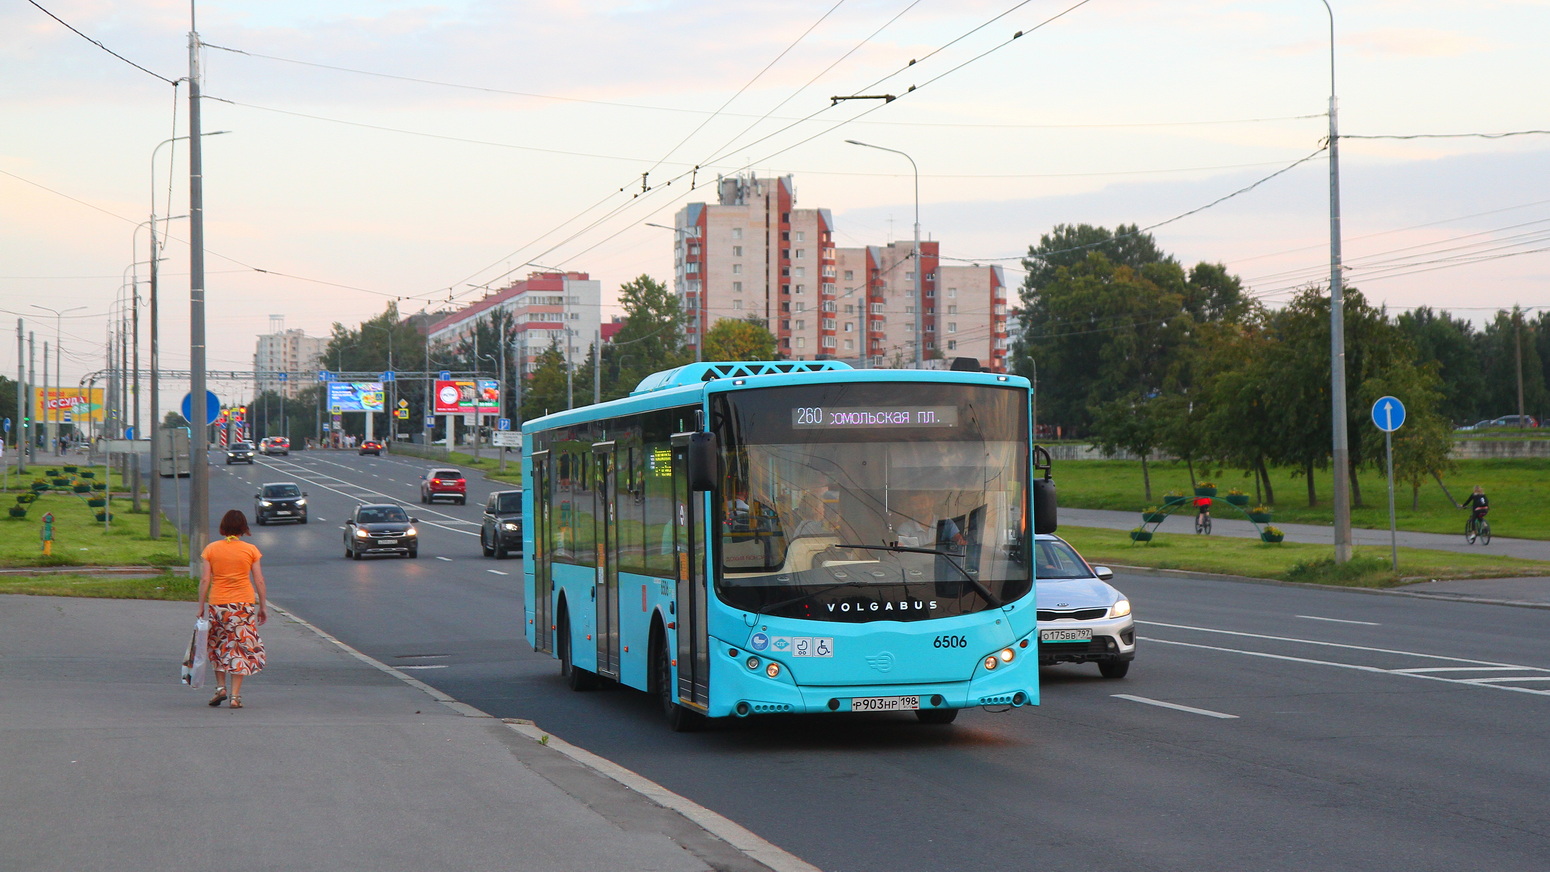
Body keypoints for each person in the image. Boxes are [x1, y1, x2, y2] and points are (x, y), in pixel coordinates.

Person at [197, 509, 269, 709]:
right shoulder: (251, 550)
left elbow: (205, 580)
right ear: (243, 528)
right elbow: (259, 580)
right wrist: (262, 606)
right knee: (240, 648)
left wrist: (201, 606)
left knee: (218, 645)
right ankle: (236, 696)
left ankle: (220, 688)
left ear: (223, 527)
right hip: (243, 606)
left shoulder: (211, 549)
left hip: (218, 604)